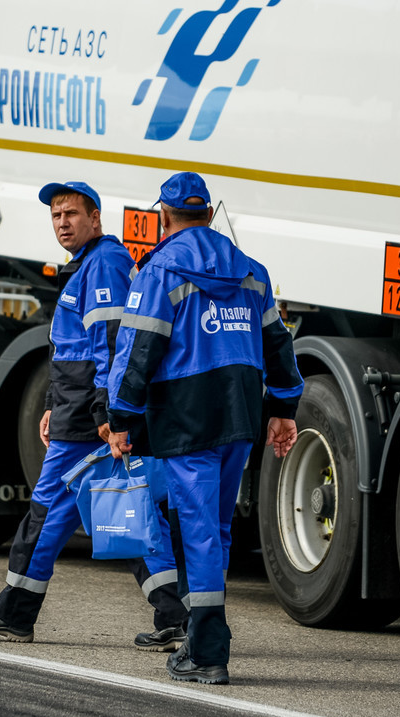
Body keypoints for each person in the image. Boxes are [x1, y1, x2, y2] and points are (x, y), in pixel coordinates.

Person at [0, 181, 187, 649]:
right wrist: (49, 405)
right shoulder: (89, 264)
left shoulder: (103, 262)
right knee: (125, 510)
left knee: (51, 510)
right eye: (56, 216)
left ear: (96, 218)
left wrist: (106, 414)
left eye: (71, 214)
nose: (63, 223)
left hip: (87, 419)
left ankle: (16, 613)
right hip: (76, 410)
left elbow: (109, 343)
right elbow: (73, 346)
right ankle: (174, 615)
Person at [106, 171, 304, 684]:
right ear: (211, 214)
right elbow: (279, 345)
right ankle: (200, 640)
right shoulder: (252, 272)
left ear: (163, 218)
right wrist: (284, 406)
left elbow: (138, 350)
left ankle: (209, 651)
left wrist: (121, 418)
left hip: (186, 412)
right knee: (213, 528)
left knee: (196, 531)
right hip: (240, 410)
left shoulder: (159, 271)